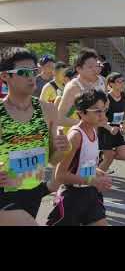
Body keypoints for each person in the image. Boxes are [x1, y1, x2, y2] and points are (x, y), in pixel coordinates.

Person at [0, 47, 69, 226]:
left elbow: (53, 160)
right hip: (4, 194)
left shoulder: (48, 110)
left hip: (34, 191)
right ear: (5, 76)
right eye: (23, 72)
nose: (31, 77)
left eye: (33, 71)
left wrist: (63, 149)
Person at [47, 89, 112, 226]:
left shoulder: (94, 129)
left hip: (90, 193)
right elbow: (60, 175)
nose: (102, 115)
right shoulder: (76, 136)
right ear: (82, 113)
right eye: (97, 111)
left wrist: (99, 173)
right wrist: (92, 180)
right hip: (72, 197)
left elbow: (84, 163)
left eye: (104, 110)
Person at [58, 48, 106, 134]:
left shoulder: (101, 81)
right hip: (76, 137)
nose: (95, 70)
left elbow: (104, 106)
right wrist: (86, 124)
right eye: (90, 67)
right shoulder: (73, 87)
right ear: (79, 69)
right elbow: (60, 119)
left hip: (96, 135)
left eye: (96, 66)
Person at [97, 73, 125, 172]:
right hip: (105, 130)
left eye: (123, 81)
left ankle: (101, 156)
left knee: (124, 155)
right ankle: (94, 180)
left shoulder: (124, 96)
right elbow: (98, 118)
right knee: (109, 158)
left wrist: (121, 124)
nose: (122, 84)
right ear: (111, 84)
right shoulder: (106, 99)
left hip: (116, 129)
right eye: (119, 82)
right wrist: (109, 128)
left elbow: (120, 114)